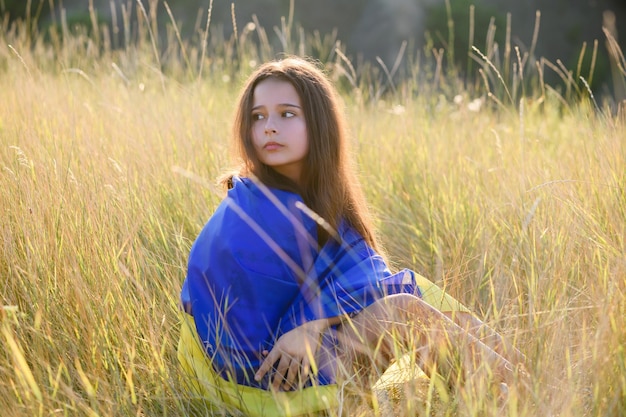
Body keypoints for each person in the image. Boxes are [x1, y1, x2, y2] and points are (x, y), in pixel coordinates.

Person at [177, 56, 527, 416]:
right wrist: (307, 326)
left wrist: (314, 324)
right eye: (258, 116)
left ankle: (518, 384)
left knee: (418, 294)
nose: (269, 127)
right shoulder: (256, 208)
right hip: (261, 383)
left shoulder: (313, 201)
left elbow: (347, 281)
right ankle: (515, 398)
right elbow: (237, 330)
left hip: (296, 353)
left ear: (320, 124)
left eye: (286, 114)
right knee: (404, 308)